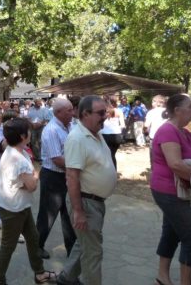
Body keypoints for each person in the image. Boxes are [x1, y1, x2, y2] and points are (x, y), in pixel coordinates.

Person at [58, 95, 117, 285]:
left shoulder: (95, 132)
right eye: (101, 113)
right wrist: (78, 211)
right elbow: (72, 177)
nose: (105, 116)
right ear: (85, 114)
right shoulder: (77, 138)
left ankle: (66, 277)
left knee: (83, 245)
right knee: (93, 252)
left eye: (105, 112)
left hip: (95, 202)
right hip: (86, 203)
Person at [0, 118, 57, 285]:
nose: (31, 132)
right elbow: (32, 186)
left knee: (33, 238)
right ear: (22, 136)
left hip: (19, 205)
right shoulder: (18, 159)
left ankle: (40, 273)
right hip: (14, 208)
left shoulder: (13, 149)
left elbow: (25, 185)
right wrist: (36, 174)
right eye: (29, 130)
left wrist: (26, 181)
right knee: (8, 245)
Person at [150, 94, 191, 285]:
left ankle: (162, 277)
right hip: (168, 191)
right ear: (178, 110)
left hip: (178, 191)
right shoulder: (167, 131)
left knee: (171, 233)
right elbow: (176, 165)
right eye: (190, 107)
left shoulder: (184, 132)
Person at [36, 99, 77, 260]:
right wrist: (77, 167)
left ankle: (72, 249)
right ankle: (37, 246)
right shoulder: (51, 130)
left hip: (68, 174)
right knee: (47, 214)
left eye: (72, 109)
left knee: (69, 214)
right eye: (69, 110)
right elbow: (57, 159)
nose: (72, 113)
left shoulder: (71, 125)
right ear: (58, 112)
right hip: (53, 177)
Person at [101, 98, 125, 168]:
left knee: (108, 155)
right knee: (112, 155)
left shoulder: (103, 111)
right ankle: (113, 172)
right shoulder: (119, 111)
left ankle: (109, 172)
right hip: (117, 135)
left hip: (105, 135)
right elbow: (123, 125)